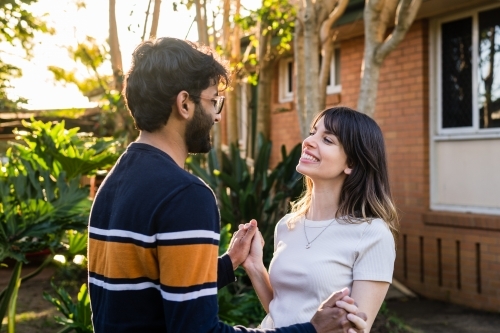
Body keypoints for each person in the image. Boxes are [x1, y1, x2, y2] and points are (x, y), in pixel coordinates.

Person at [87, 37, 367, 333]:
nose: (218, 115)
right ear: (184, 104)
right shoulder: (185, 195)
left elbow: (143, 293)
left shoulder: (114, 182)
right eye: (213, 101)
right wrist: (310, 329)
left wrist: (229, 262)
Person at [241, 106, 398, 332]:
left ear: (351, 164)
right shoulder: (288, 225)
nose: (309, 141)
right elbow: (282, 311)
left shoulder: (372, 233)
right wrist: (255, 267)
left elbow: (354, 329)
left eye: (327, 139)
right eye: (313, 132)